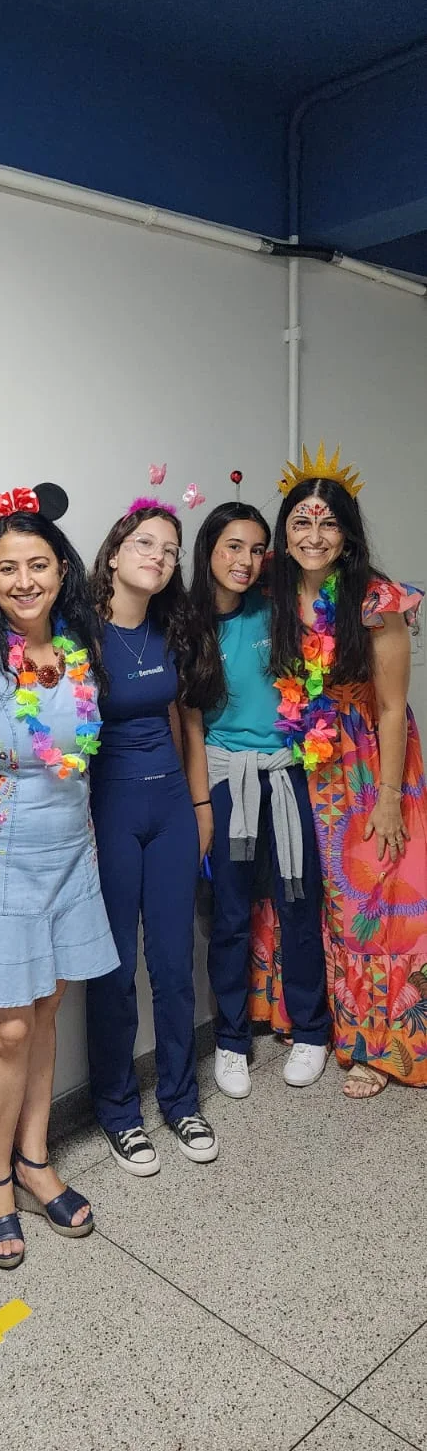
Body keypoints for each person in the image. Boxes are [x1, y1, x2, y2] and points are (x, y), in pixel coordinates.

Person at [0, 482, 118, 1268]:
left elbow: (79, 758)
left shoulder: (79, 649)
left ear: (61, 569)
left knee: (46, 1009)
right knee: (6, 1026)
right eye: (6, 568)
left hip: (70, 851)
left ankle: (37, 1159)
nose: (22, 581)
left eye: (37, 564)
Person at [268, 443, 427, 1096]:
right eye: (301, 522)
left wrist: (388, 796)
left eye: (328, 523)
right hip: (310, 762)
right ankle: (333, 1022)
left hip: (372, 761)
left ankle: (379, 1044)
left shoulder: (374, 602)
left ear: (347, 534)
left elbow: (391, 708)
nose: (314, 535)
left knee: (375, 893)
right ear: (285, 532)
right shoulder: (275, 596)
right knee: (324, 895)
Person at [86, 497, 218, 1177]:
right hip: (107, 811)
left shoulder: (172, 631)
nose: (158, 558)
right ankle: (117, 1110)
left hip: (170, 808)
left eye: (169, 550)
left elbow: (188, 723)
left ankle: (180, 1101)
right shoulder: (78, 634)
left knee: (172, 964)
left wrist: (200, 806)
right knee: (112, 973)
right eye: (145, 543)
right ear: (114, 553)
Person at [185, 501, 330, 1100]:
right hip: (226, 778)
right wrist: (201, 803)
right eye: (233, 546)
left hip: (286, 774)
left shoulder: (279, 610)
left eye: (255, 548)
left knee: (299, 900)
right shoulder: (186, 625)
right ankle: (231, 1039)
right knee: (230, 913)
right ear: (209, 550)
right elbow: (190, 723)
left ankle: (312, 1031)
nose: (245, 560)